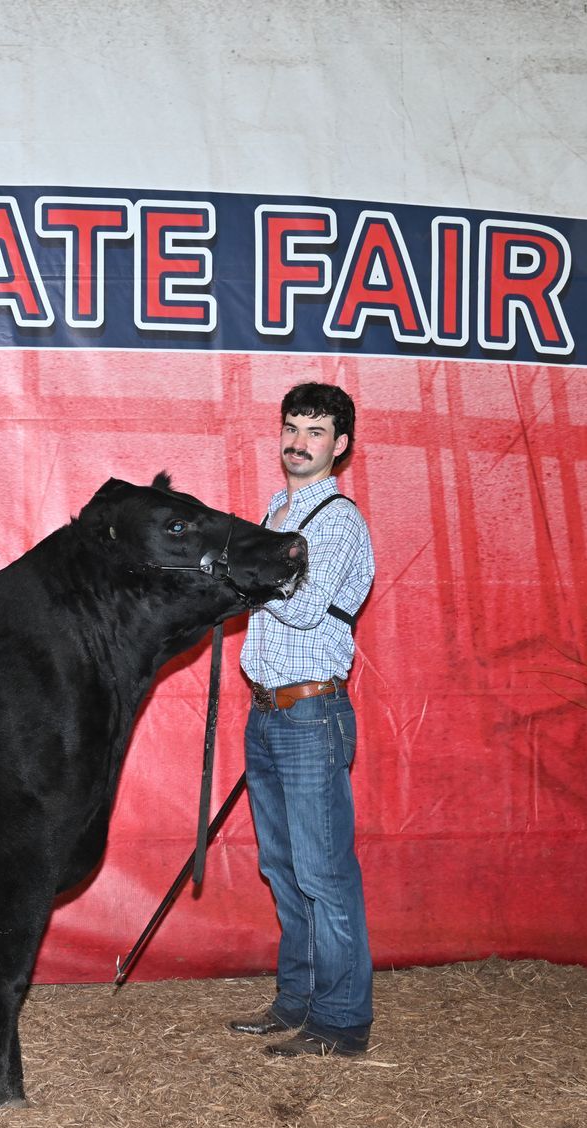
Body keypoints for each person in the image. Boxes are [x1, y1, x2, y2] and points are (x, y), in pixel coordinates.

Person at [229, 381, 376, 1057]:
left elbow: (305, 605)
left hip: (312, 711)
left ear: (339, 446)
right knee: (284, 868)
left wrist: (238, 574)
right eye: (292, 427)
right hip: (267, 711)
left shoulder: (337, 520)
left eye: (315, 432)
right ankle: (297, 1001)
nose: (299, 442)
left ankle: (341, 1022)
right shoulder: (275, 510)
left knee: (323, 873)